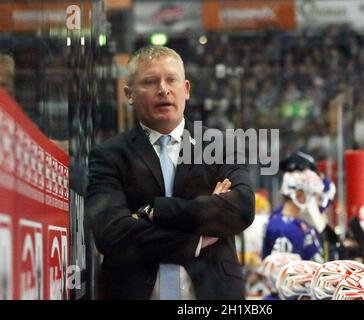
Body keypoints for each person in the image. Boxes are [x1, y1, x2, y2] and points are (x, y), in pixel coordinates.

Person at [86, 46, 255, 300]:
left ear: (185, 89)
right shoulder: (108, 155)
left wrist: (155, 212)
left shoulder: (220, 145)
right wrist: (195, 240)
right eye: (150, 81)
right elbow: (111, 234)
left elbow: (241, 208)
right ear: (129, 94)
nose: (163, 89)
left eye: (171, 80)